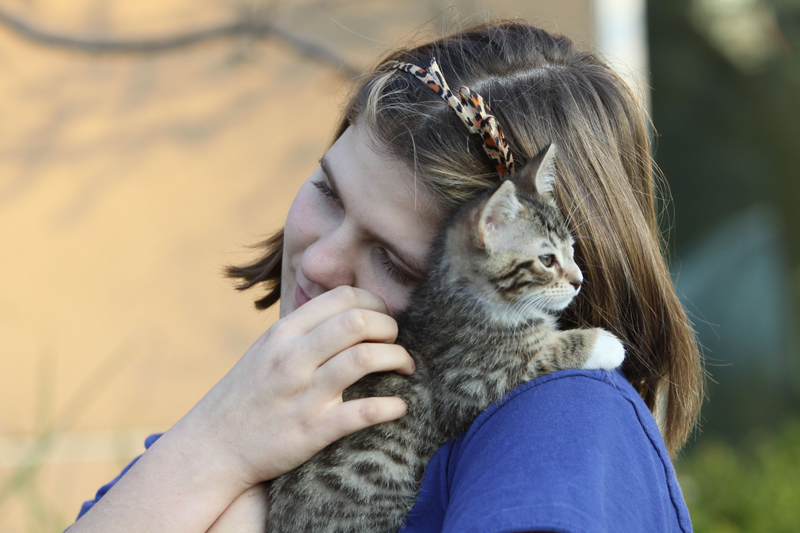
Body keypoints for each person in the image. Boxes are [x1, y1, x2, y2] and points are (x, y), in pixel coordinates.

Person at [68, 20, 702, 532]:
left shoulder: (560, 419)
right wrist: (214, 445)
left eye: (393, 260)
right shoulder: (271, 410)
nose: (316, 263)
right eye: (328, 191)